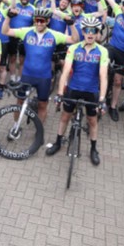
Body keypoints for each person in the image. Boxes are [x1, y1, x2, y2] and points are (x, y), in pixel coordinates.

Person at [47, 16, 109, 165]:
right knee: (65, 117)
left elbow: (103, 76)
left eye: (94, 31)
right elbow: (65, 72)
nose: (90, 33)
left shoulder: (102, 51)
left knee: (92, 121)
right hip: (73, 89)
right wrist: (60, 93)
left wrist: (102, 99)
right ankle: (58, 142)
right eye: (87, 30)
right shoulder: (73, 48)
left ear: (97, 33)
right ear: (83, 31)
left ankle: (93, 148)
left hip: (91, 91)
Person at [2, 7, 77, 124]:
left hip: (44, 77)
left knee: (42, 105)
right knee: (19, 102)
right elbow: (5, 31)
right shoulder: (26, 31)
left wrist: (71, 24)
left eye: (42, 20)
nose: (38, 23)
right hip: (27, 75)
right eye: (36, 20)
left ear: (47, 21)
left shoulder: (54, 35)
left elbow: (74, 40)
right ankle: (16, 126)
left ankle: (39, 130)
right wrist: (8, 17)